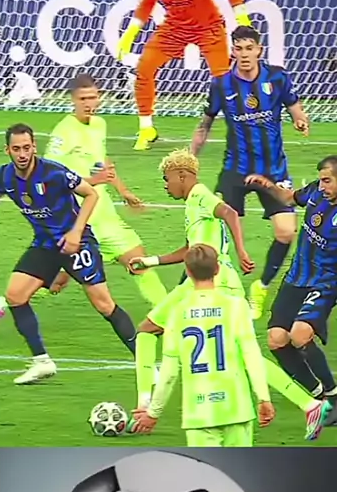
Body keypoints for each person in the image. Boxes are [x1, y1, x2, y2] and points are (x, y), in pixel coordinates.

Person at [129, 149, 331, 442]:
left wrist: (242, 251)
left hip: (212, 279)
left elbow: (229, 212)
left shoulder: (200, 195)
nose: (165, 185)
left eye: (167, 179)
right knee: (237, 350)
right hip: (211, 276)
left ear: (182, 175)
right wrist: (150, 262)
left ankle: (145, 405)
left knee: (148, 330)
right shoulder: (194, 204)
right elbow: (190, 250)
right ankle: (310, 405)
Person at [0, 123, 137, 385]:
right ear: (8, 150)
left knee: (104, 305)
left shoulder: (53, 172)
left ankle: (144, 360)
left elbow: (91, 194)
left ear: (34, 147)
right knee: (15, 296)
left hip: (77, 242)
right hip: (45, 244)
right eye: (17, 149)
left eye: (27, 148)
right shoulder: (6, 175)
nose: (23, 154)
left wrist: (76, 232)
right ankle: (42, 362)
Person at [191, 25, 310, 320]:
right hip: (236, 170)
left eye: (249, 48)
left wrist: (300, 120)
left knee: (286, 232)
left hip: (273, 170)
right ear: (232, 51)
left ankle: (261, 287)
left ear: (259, 50)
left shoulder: (277, 78)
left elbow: (295, 108)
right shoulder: (221, 84)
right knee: (212, 234)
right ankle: (197, 291)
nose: (244, 54)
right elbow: (205, 124)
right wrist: (191, 157)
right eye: (239, 48)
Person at [131, 244, 275, 447]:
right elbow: (251, 355)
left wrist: (153, 413)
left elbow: (169, 372)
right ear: (217, 269)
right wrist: (263, 397)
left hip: (199, 413)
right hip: (237, 408)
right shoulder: (236, 306)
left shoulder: (177, 312)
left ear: (188, 272)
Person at [116, 0, 251, 151]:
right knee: (144, 69)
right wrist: (130, 33)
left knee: (223, 80)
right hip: (174, 29)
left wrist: (243, 20)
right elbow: (147, 3)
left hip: (208, 27)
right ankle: (146, 129)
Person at [43, 73, 167, 307]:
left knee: (138, 262)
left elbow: (102, 161)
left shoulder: (99, 124)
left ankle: (168, 316)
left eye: (93, 97)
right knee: (57, 282)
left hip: (104, 215)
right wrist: (92, 180)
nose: (88, 103)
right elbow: (48, 177)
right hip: (78, 221)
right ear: (73, 100)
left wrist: (123, 191)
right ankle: (3, 304)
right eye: (83, 99)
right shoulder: (64, 132)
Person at [245, 158, 337, 422]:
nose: (322, 185)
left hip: (326, 281)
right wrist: (267, 186)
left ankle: (334, 396)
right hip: (297, 277)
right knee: (276, 339)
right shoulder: (315, 192)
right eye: (321, 180)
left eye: (328, 180)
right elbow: (289, 198)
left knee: (299, 333)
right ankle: (319, 395)